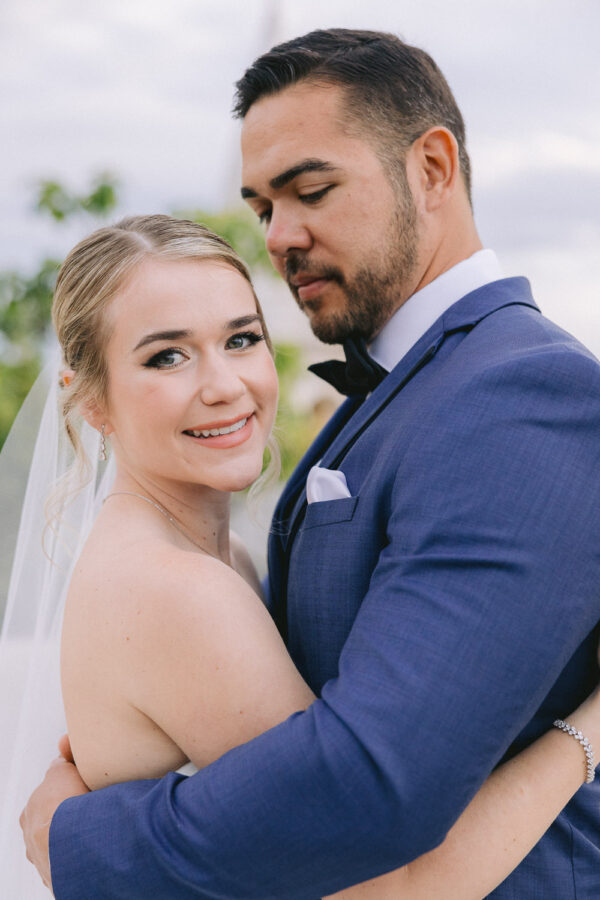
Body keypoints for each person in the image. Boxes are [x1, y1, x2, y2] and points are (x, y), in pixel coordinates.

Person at [20, 28, 600, 898]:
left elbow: (362, 792)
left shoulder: (524, 391)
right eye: (263, 208)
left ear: (432, 169)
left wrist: (86, 841)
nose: (281, 236)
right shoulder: (179, 577)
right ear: (88, 397)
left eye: (312, 190)